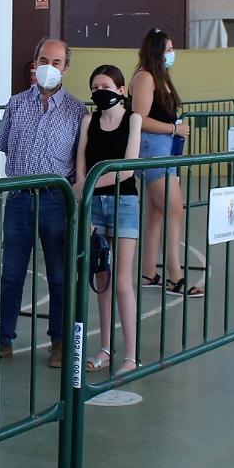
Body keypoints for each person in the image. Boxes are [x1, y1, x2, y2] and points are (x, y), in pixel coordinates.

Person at [0, 38, 86, 368]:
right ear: (35, 63)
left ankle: (60, 341)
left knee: (61, 274)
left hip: (56, 200)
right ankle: (2, 339)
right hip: (19, 199)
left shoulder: (77, 111)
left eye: (57, 61)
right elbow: (5, 144)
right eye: (44, 59)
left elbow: (79, 160)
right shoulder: (16, 103)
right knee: (11, 273)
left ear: (66, 68)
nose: (50, 66)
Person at [73, 65, 143, 374]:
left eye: (106, 84)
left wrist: (86, 184)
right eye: (95, 85)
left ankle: (131, 354)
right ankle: (104, 347)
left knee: (123, 282)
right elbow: (80, 166)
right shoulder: (88, 121)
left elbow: (127, 170)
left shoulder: (133, 120)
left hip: (124, 202)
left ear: (120, 89)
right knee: (102, 280)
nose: (100, 90)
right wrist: (83, 200)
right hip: (94, 206)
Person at [130, 28, 201, 297]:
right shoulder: (145, 77)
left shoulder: (161, 78)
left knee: (157, 213)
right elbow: (140, 118)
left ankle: (148, 272)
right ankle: (176, 276)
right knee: (175, 210)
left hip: (166, 149)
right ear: (157, 51)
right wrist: (173, 130)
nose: (172, 54)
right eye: (168, 49)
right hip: (153, 150)